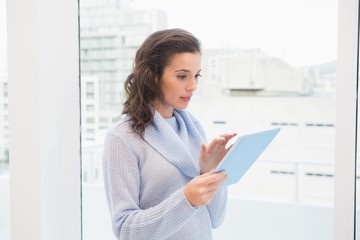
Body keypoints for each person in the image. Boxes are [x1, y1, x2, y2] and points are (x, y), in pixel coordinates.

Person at [102, 28, 236, 240]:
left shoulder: (193, 127)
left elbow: (216, 219)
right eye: (182, 76)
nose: (192, 86)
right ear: (153, 76)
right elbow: (125, 229)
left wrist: (211, 173)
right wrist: (187, 199)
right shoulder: (123, 137)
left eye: (196, 75)